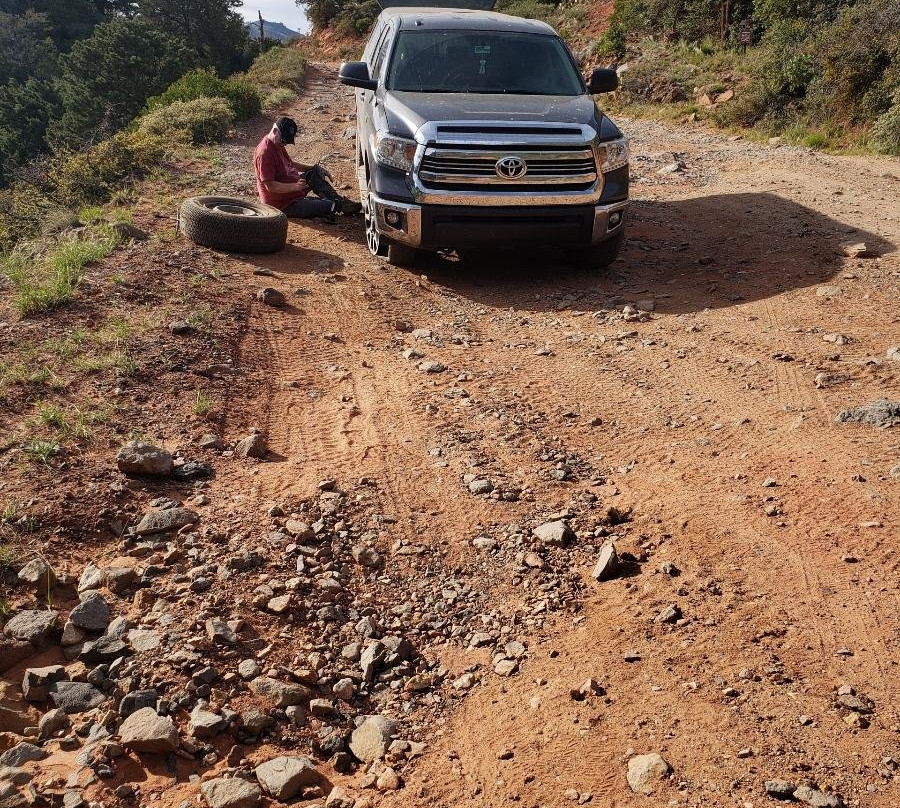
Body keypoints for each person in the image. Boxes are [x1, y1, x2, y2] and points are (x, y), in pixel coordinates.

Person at [254, 116, 362, 222]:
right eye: (283, 141)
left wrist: (314, 167)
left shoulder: (277, 144)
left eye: (286, 142)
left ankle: (341, 203)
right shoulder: (265, 153)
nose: (284, 144)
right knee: (329, 206)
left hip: (293, 192)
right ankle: (333, 205)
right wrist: (295, 186)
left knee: (314, 173)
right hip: (282, 204)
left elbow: (291, 163)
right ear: (274, 131)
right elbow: (271, 186)